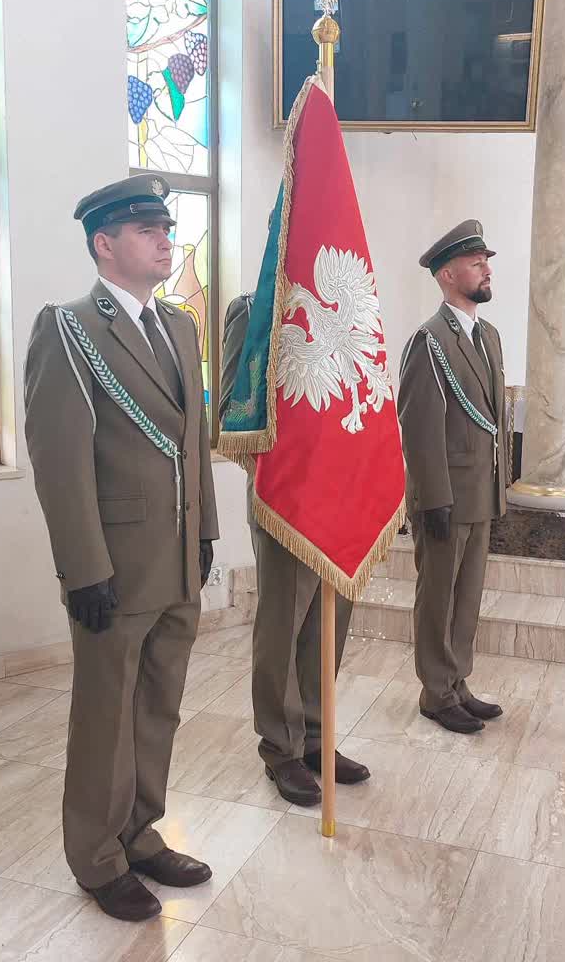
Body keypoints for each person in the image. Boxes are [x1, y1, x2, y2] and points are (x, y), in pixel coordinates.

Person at [23, 174, 219, 923]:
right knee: (106, 717)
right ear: (104, 244)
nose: (166, 240)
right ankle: (96, 856)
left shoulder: (179, 328)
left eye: (167, 228)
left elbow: (191, 443)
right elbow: (60, 459)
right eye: (147, 230)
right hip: (114, 565)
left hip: (175, 558)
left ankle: (138, 833)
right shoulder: (69, 328)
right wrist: (83, 569)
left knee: (158, 707)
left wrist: (204, 531)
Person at [217, 293, 371, 806]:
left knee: (329, 626)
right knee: (282, 626)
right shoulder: (252, 310)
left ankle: (316, 738)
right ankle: (281, 748)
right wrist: (289, 484)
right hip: (285, 505)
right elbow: (232, 417)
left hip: (340, 505)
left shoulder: (342, 311)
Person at [396, 220, 510, 734]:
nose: (486, 270)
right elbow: (419, 426)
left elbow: (492, 419)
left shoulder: (489, 337)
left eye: (486, 262)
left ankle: (457, 681)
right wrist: (432, 497)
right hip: (445, 495)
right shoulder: (429, 341)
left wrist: (499, 486)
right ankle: (435, 692)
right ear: (446, 274)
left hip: (480, 490)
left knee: (467, 596)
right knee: (439, 596)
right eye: (475, 262)